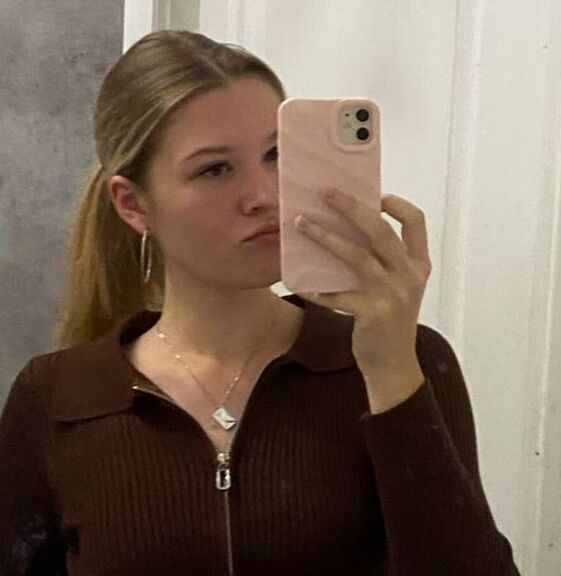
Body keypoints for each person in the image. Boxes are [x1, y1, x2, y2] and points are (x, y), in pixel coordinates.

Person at [0, 29, 519, 576]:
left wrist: (391, 371)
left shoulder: (406, 359)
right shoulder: (60, 396)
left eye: (276, 155)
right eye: (215, 169)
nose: (265, 195)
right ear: (133, 204)